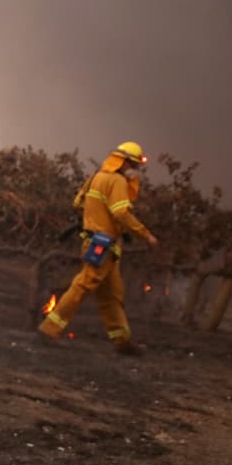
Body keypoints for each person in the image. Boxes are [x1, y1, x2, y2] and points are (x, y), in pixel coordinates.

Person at [38, 141, 158, 355]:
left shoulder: (95, 178)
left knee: (112, 295)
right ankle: (49, 329)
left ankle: (122, 341)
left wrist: (94, 218)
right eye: (134, 165)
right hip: (104, 245)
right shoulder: (117, 181)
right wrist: (145, 234)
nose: (135, 171)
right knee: (82, 286)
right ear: (124, 162)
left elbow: (78, 203)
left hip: (96, 244)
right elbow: (121, 213)